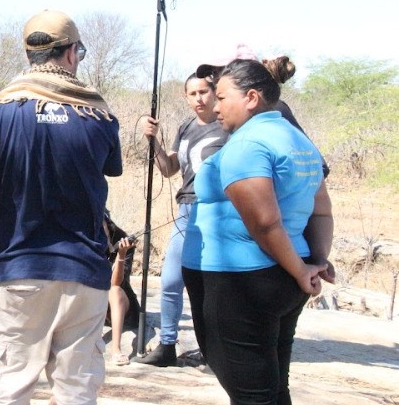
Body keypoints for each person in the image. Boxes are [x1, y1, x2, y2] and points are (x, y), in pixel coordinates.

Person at [0, 10, 123, 405]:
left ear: (31, 55)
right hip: (85, 272)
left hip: (21, 271)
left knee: (9, 390)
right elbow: (108, 169)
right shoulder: (99, 115)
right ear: (69, 54)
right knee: (77, 393)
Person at [182, 59, 334, 405]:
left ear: (251, 98)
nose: (216, 107)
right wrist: (316, 261)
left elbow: (264, 222)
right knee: (273, 386)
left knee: (251, 393)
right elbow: (321, 208)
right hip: (282, 276)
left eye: (222, 98)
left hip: (241, 281)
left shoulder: (247, 145)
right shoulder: (297, 139)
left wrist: (302, 271)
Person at [136, 73, 228, 367]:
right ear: (186, 97)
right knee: (171, 280)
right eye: (193, 93)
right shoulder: (186, 127)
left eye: (204, 91)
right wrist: (154, 143)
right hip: (187, 210)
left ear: (214, 92)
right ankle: (167, 346)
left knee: (211, 284)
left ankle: (216, 350)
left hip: (217, 211)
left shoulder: (228, 125)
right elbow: (169, 169)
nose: (199, 98)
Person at [196, 48, 330, 178]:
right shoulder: (226, 117)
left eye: (221, 71)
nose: (215, 80)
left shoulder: (274, 109)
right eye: (212, 74)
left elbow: (315, 167)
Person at [103, 212, 139, 367]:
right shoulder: (86, 244)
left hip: (122, 305)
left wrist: (121, 254)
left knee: (114, 290)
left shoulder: (122, 243)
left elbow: (116, 282)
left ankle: (116, 348)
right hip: (96, 304)